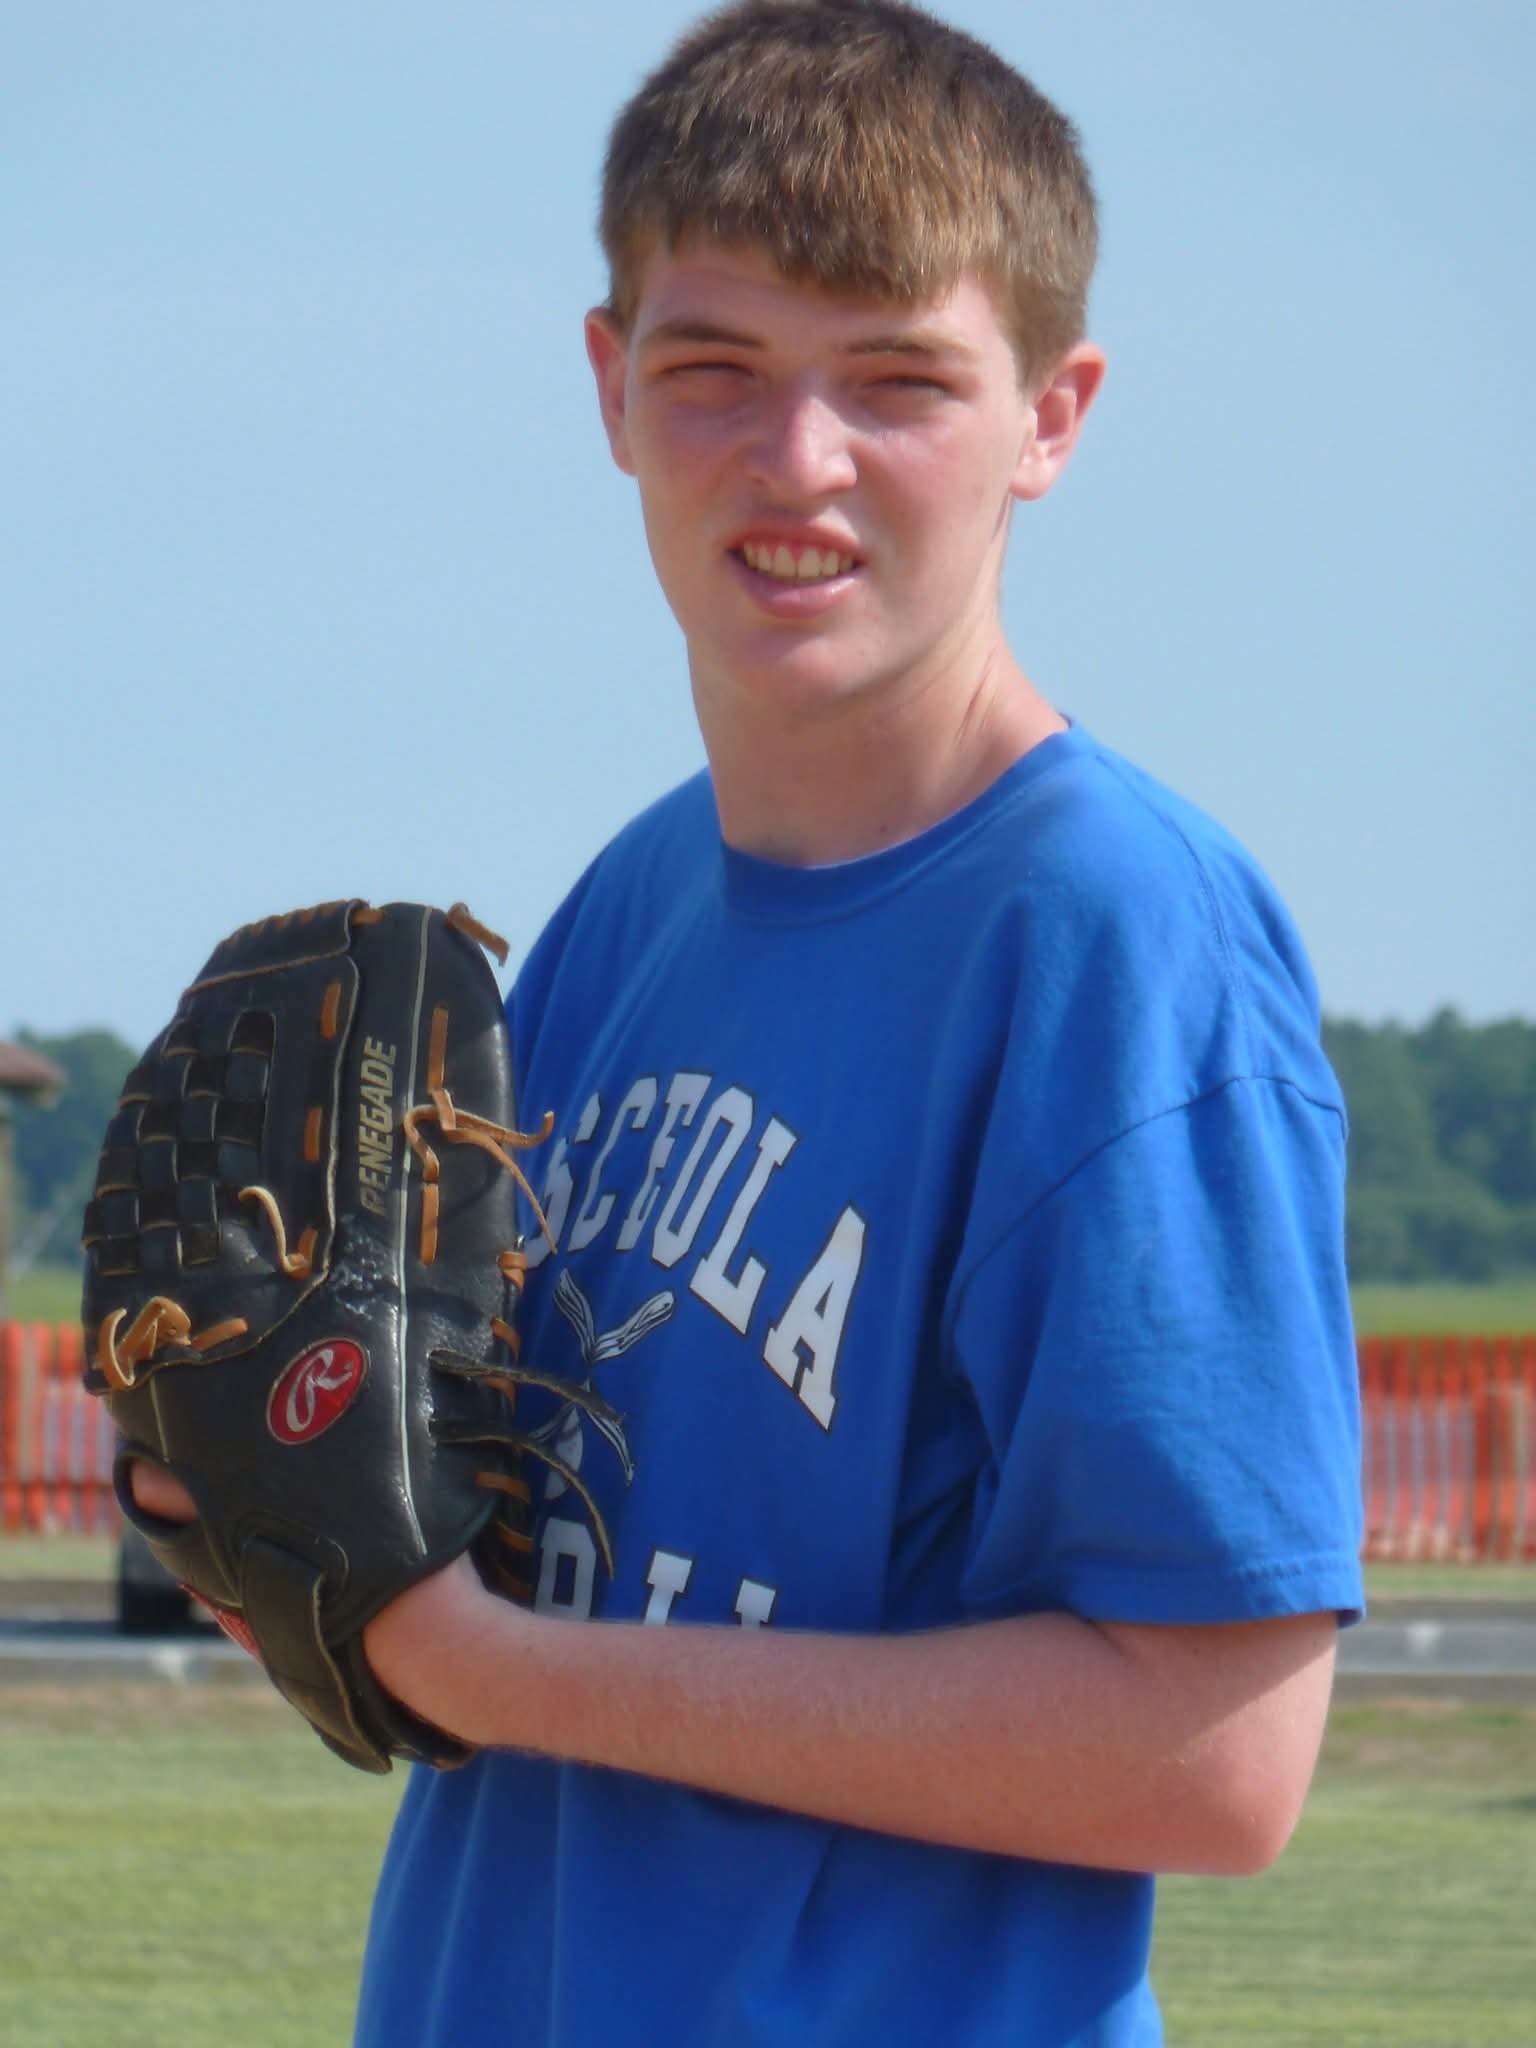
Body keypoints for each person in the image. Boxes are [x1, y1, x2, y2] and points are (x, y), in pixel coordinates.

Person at [146, 3, 1364, 2041]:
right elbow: (534, 1557)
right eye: (716, 367)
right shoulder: (630, 909)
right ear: (611, 385)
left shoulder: (1115, 939)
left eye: (901, 379)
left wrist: (483, 1666)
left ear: (1051, 417)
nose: (800, 461)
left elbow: (1216, 1754)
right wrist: (270, 1514)